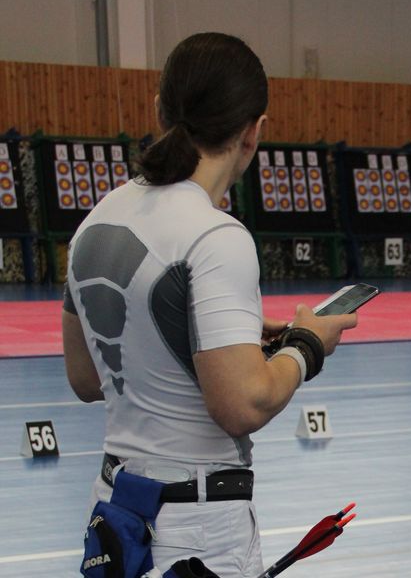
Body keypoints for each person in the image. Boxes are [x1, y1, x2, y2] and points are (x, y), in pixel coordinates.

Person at [62, 32, 357, 577]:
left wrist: (224, 342)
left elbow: (87, 377)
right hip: (193, 531)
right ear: (253, 131)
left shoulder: (95, 221)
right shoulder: (216, 236)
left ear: (160, 110)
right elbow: (242, 405)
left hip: (116, 514)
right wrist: (308, 345)